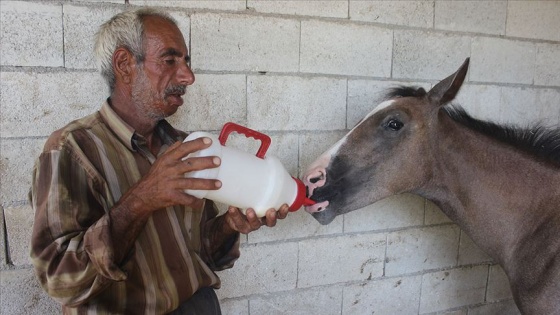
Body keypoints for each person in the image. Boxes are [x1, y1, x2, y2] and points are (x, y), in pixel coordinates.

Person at [29, 7, 290, 314]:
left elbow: (201, 252)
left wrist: (229, 226)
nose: (188, 77)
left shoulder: (186, 147)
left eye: (186, 62)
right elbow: (60, 279)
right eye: (170, 60)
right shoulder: (71, 150)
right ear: (125, 65)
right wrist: (142, 198)